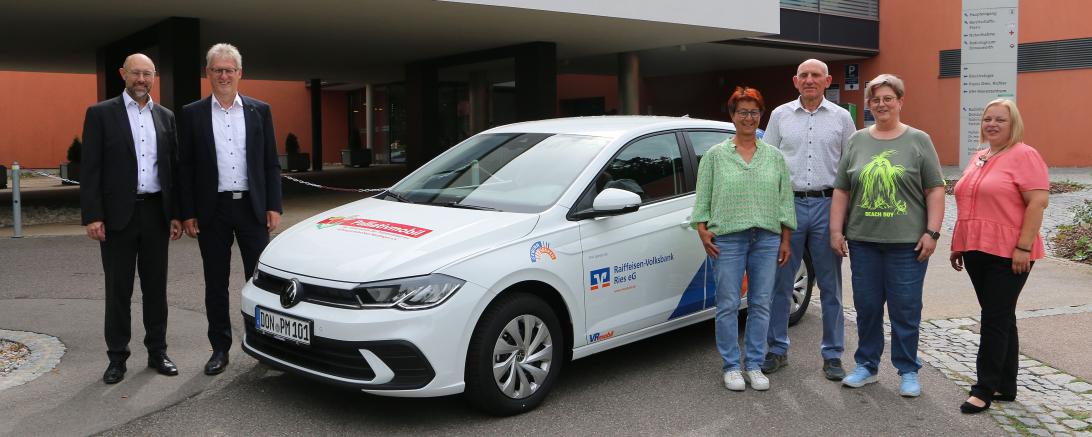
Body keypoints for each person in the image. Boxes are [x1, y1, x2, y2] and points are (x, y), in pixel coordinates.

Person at [830, 74, 944, 397]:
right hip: (863, 242)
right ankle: (866, 366)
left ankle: (908, 370)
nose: (881, 104)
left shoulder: (919, 140)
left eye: (888, 98)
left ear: (900, 101)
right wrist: (836, 230)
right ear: (869, 104)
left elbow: (935, 189)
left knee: (905, 309)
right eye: (876, 99)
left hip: (907, 245)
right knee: (866, 307)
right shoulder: (857, 141)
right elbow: (842, 190)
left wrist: (932, 232)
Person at [178, 43, 283, 375]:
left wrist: (273, 205)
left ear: (239, 73)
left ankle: (264, 345)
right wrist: (188, 211)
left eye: (229, 70)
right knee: (215, 283)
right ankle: (219, 349)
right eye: (217, 70)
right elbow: (185, 167)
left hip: (252, 209)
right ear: (208, 73)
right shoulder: (192, 113)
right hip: (213, 211)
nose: (223, 75)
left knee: (261, 282)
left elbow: (270, 163)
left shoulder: (259, 110)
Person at [80, 53, 183, 384]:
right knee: (118, 290)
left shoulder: (165, 117)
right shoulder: (100, 114)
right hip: (116, 217)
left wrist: (176, 214)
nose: (141, 79)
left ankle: (158, 352)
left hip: (155, 213)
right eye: (136, 73)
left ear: (154, 77)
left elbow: (173, 170)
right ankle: (117, 358)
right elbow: (90, 169)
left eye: (147, 74)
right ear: (123, 73)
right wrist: (93, 215)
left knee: (156, 289)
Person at [692, 86, 795, 391]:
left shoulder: (774, 156)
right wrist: (701, 229)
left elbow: (784, 200)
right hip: (728, 239)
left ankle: (754, 364)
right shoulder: (715, 156)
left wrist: (786, 238)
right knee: (727, 304)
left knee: (761, 303)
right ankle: (731, 366)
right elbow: (703, 197)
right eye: (742, 112)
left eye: (754, 112)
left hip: (767, 238)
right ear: (732, 115)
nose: (748, 118)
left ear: (761, 115)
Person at [949, 99, 1048, 414]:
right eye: (987, 118)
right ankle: (1006, 384)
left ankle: (984, 389)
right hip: (976, 249)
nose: (992, 124)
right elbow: (969, 202)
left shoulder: (1025, 155)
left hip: (1010, 252)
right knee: (1002, 316)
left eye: (1000, 120)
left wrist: (1024, 247)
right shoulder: (980, 156)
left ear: (1013, 124)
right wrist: (959, 243)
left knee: (993, 318)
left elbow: (1037, 203)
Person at [761, 59, 856, 380]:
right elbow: (767, 162)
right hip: (788, 207)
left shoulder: (842, 118)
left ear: (827, 81)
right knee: (781, 282)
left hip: (828, 206)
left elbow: (850, 167)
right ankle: (776, 348)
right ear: (795, 81)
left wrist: (845, 219)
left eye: (816, 75)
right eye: (804, 75)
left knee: (831, 286)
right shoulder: (780, 115)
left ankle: (833, 354)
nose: (810, 80)